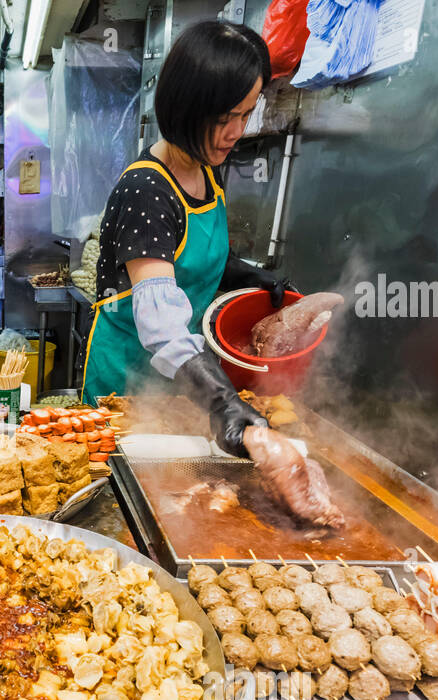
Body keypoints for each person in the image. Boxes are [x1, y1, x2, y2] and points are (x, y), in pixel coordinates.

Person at [81, 20, 294, 457]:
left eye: (246, 113)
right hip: (127, 387)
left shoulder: (205, 170)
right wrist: (221, 401)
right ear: (184, 109)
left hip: (180, 384)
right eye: (223, 119)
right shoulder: (147, 188)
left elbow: (190, 258)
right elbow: (160, 324)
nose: (237, 132)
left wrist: (245, 276)